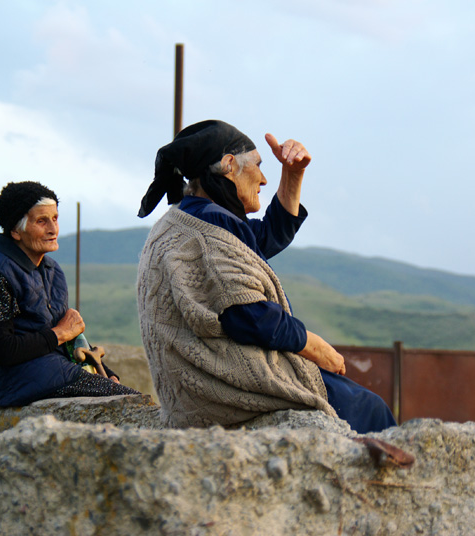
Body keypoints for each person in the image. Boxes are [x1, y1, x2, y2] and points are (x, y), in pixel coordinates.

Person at [136, 120, 395, 433]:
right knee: (370, 409)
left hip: (202, 385)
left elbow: (266, 237)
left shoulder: (198, 219)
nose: (263, 178)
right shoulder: (207, 230)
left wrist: (294, 174)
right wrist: (314, 346)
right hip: (223, 387)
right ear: (229, 165)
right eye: (257, 165)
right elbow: (250, 316)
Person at [0, 181, 139, 407]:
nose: (53, 229)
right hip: (15, 382)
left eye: (55, 218)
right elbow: (2, 350)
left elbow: (67, 336)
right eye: (42, 221)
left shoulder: (51, 270)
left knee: (128, 397)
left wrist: (105, 372)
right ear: (16, 230)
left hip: (55, 370)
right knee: (130, 405)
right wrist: (60, 333)